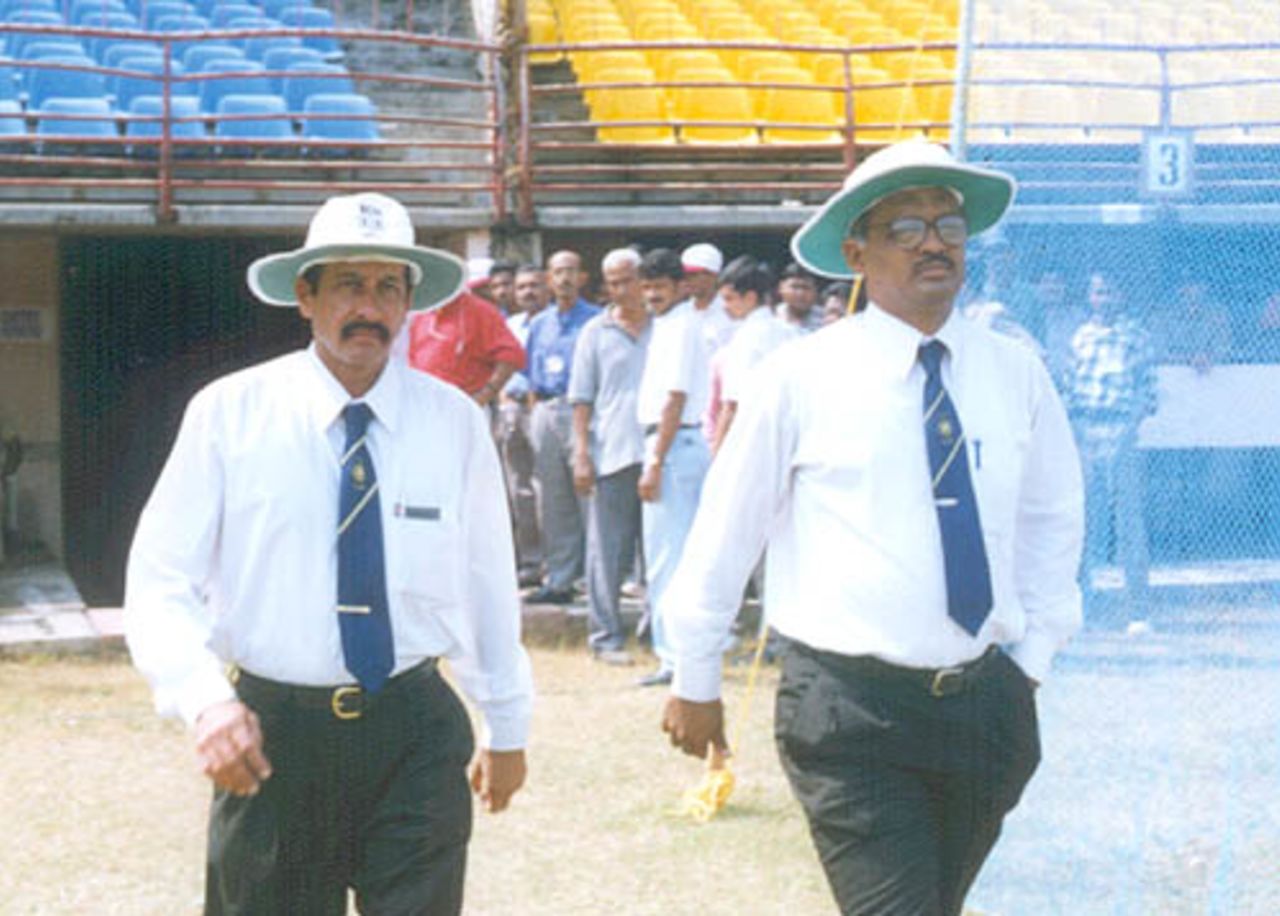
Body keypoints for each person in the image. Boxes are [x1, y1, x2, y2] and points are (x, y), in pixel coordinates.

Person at [659, 141, 1084, 915]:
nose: (934, 243)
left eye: (949, 226)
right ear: (855, 251)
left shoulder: (1015, 369)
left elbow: (1052, 520)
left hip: (985, 710)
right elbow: (727, 530)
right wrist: (696, 676)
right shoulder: (798, 375)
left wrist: (1031, 661)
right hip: (851, 713)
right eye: (907, 227)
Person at [124, 192, 533, 914]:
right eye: (348, 284)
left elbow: (486, 586)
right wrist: (205, 702)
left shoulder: (453, 424)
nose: (368, 307)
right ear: (305, 297)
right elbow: (159, 581)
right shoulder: (229, 413)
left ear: (409, 302)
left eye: (387, 287)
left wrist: (506, 723)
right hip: (275, 736)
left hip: (414, 734)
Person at [568, 248, 652, 665]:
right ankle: (605, 638)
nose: (619, 291)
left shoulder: (667, 325)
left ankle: (656, 632)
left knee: (659, 549)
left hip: (660, 453)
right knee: (606, 552)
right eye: (612, 283)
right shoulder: (594, 332)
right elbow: (581, 399)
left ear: (643, 279)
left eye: (626, 281)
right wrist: (581, 454)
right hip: (612, 452)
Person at [635, 248, 713, 687]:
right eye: (646, 288)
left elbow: (675, 398)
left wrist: (656, 461)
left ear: (681, 287)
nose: (651, 295)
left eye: (659, 287)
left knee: (670, 560)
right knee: (669, 556)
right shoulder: (667, 326)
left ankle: (675, 658)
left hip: (675, 444)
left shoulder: (683, 328)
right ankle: (677, 654)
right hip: (671, 442)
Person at [1067, 271, 1156, 626]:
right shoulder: (1081, 337)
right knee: (1084, 524)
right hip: (1086, 432)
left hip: (1121, 433)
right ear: (1091, 297)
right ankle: (1081, 610)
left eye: (1110, 292)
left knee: (1129, 525)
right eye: (1098, 292)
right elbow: (1070, 389)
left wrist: (1125, 432)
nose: (1104, 298)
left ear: (1121, 296)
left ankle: (1137, 613)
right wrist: (1077, 435)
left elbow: (1148, 394)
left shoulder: (1135, 336)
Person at [524, 250, 600, 604]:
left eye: (571, 271)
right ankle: (560, 577)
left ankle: (598, 578)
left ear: (582, 277)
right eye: (558, 272)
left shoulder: (596, 321)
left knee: (589, 494)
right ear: (548, 279)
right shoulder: (539, 323)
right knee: (551, 498)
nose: (565, 279)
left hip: (583, 409)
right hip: (546, 406)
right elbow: (529, 373)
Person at [710, 255, 798, 455]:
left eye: (729, 298)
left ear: (750, 297)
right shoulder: (789, 332)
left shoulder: (747, 338)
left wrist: (717, 455)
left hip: (753, 439)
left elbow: (732, 404)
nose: (724, 306)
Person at [500, 263, 550, 587]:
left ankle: (556, 562)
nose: (528, 292)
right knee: (519, 487)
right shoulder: (510, 325)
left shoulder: (553, 322)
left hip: (543, 407)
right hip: (512, 408)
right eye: (522, 288)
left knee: (549, 488)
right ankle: (530, 561)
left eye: (534, 285)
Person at [406, 287, 525, 406]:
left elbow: (510, 356)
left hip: (465, 405)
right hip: (424, 404)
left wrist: (485, 394)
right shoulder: (420, 315)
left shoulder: (480, 310)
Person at [775, 261, 823, 332]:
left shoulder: (825, 321)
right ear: (781, 288)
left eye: (806, 287)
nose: (800, 293)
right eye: (795, 287)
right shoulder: (771, 318)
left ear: (815, 291)